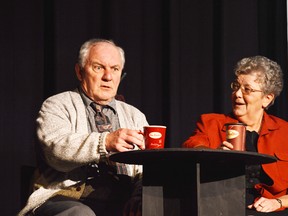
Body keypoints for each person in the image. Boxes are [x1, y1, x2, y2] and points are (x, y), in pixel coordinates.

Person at [18, 38, 149, 216]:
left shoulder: (136, 116)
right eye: (98, 67)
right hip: (65, 198)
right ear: (80, 72)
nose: (108, 77)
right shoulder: (57, 105)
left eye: (115, 69)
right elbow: (54, 149)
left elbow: (149, 169)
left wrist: (139, 196)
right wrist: (105, 142)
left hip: (122, 200)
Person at [182, 56, 288, 215]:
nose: (237, 94)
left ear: (267, 98)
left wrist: (278, 202)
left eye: (247, 89)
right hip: (222, 209)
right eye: (236, 86)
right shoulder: (211, 122)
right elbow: (191, 145)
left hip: (273, 211)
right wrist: (213, 156)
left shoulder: (284, 131)